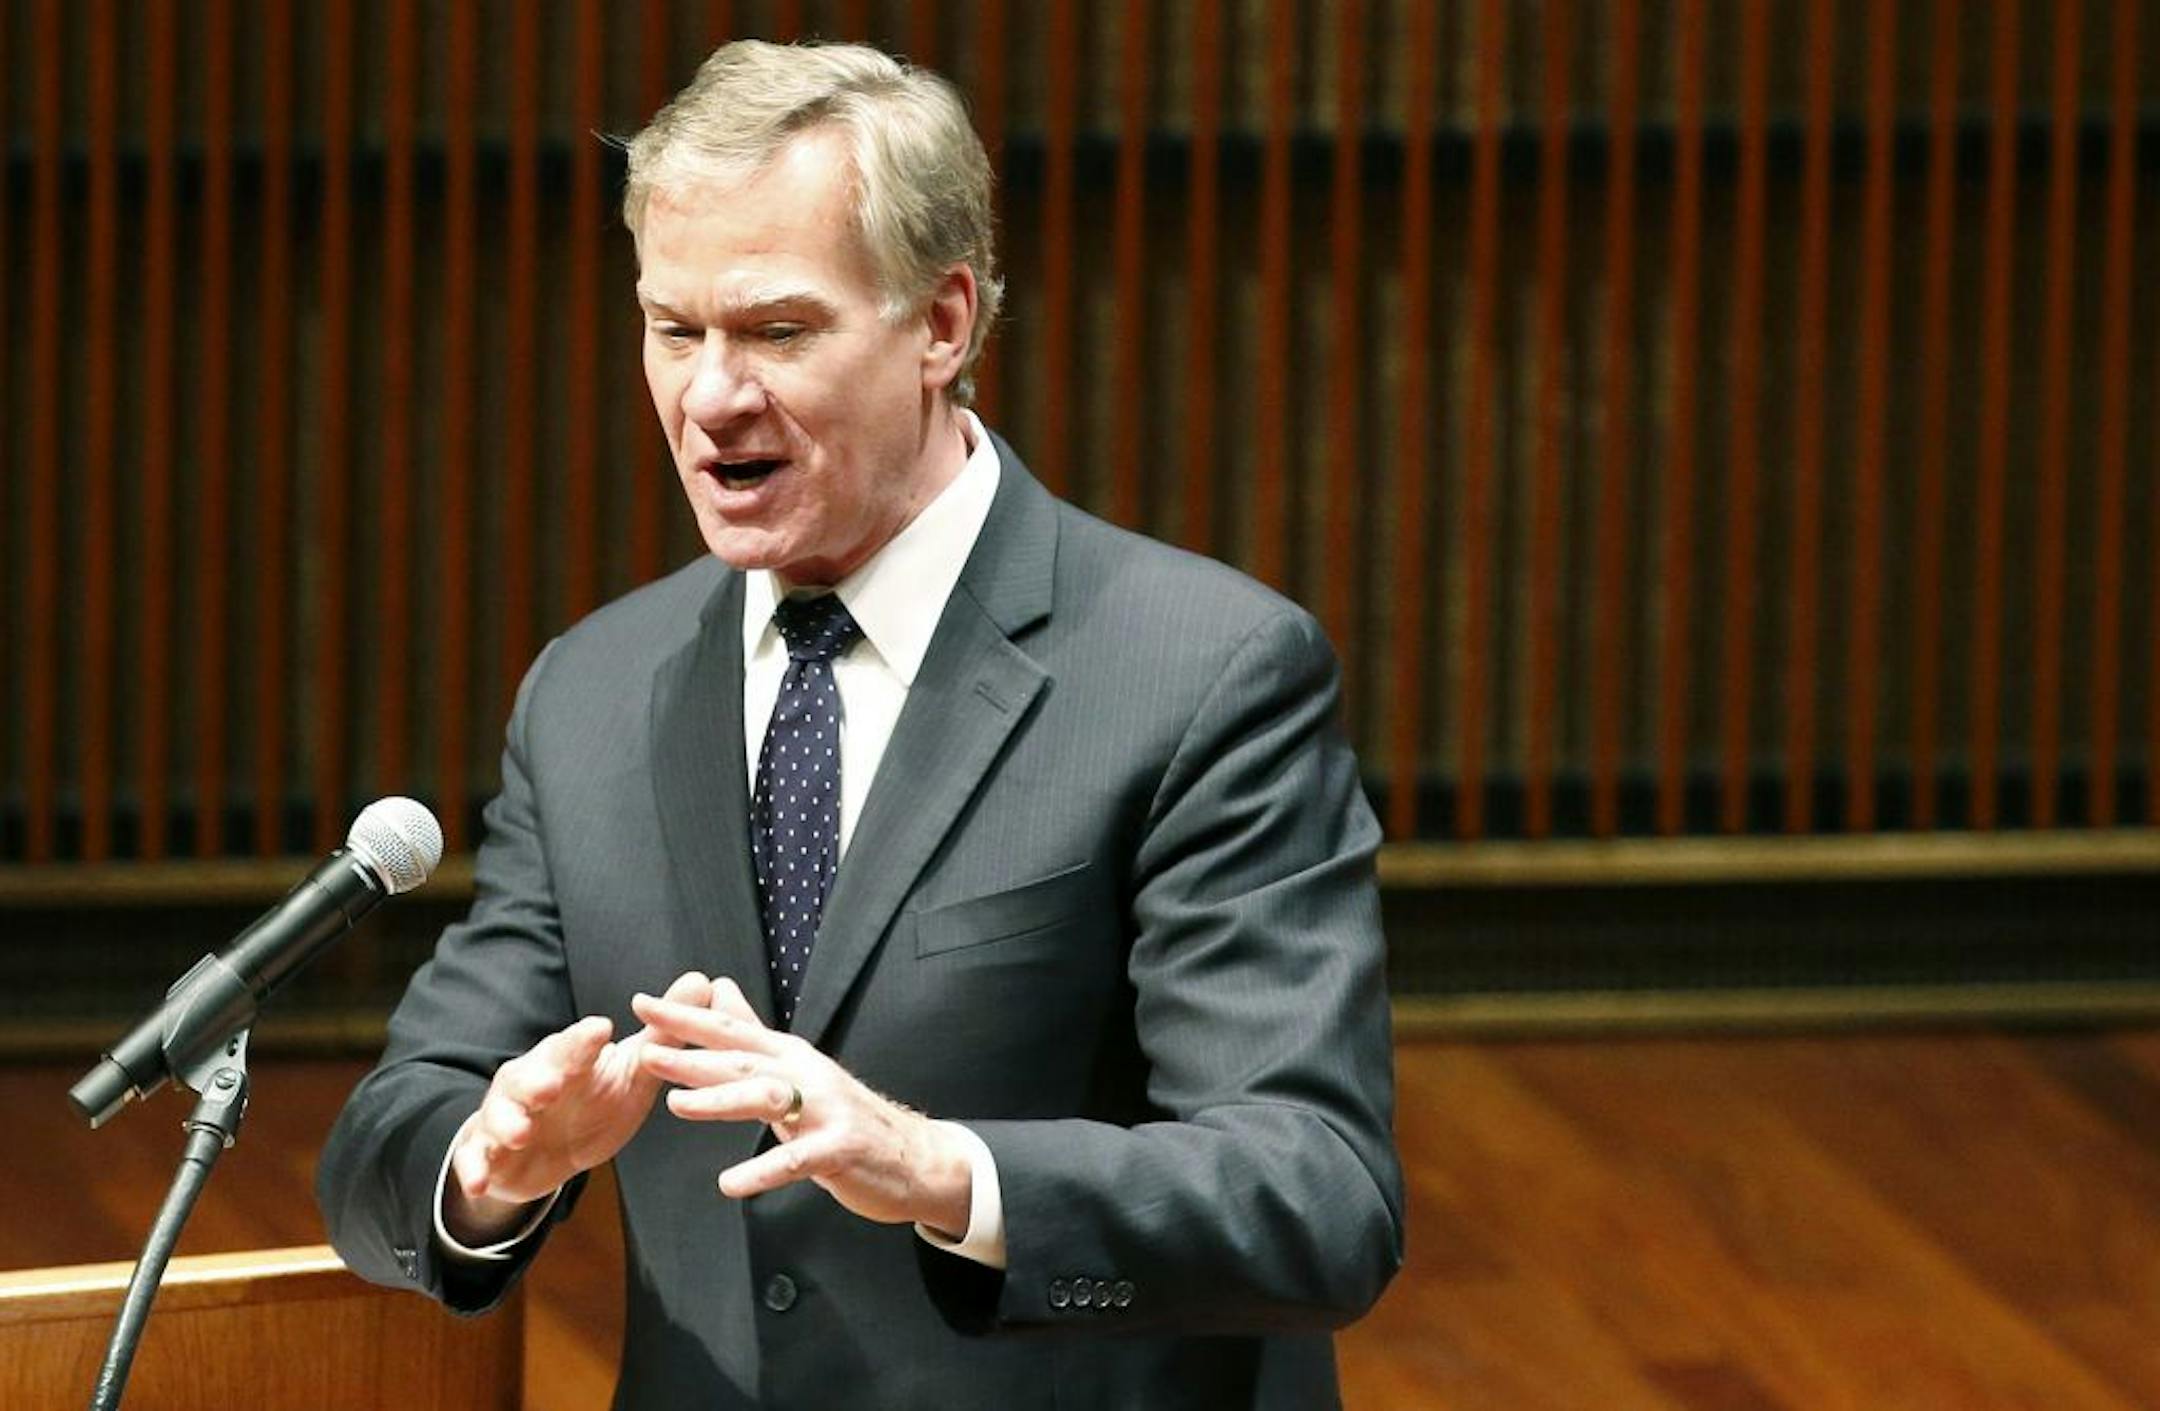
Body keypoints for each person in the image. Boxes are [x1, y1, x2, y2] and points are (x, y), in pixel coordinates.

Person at [318, 38, 1402, 1411]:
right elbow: (386, 1152)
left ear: (941, 325)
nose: (712, 396)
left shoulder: (1200, 675)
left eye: (778, 332)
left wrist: (939, 1169)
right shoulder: (593, 692)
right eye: (675, 330)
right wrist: (490, 1163)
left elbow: (1319, 1200)